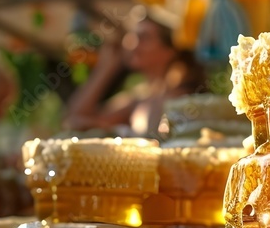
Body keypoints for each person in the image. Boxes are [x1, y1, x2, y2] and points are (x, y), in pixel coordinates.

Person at [65, 9, 205, 137]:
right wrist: (105, 68)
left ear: (171, 49)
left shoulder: (180, 99)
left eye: (144, 38)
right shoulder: (141, 98)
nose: (132, 44)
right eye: (132, 35)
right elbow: (75, 120)